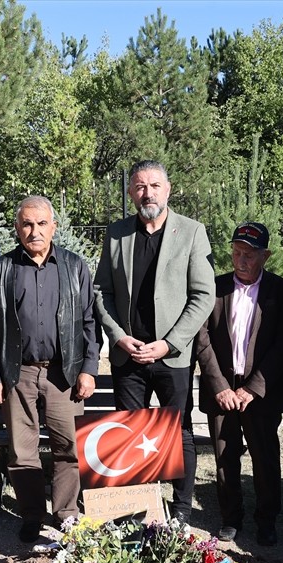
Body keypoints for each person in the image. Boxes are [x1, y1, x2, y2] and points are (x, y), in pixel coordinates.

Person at [93, 160, 215, 523]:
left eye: (155, 186)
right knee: (129, 434)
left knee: (179, 434)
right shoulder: (116, 234)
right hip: (129, 353)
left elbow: (203, 295)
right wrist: (118, 336)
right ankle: (136, 512)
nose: (148, 193)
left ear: (168, 189)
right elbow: (103, 292)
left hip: (171, 356)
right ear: (131, 192)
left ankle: (179, 510)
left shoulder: (192, 232)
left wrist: (170, 343)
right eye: (140, 186)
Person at [0, 196, 99, 543]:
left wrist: (88, 369)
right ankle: (31, 514)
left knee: (68, 447)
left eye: (42, 224)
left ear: (53, 227)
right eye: (27, 224)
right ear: (17, 228)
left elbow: (89, 322)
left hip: (64, 373)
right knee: (22, 450)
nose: (34, 231)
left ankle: (66, 514)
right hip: (19, 372)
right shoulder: (1, 270)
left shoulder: (75, 267)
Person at [194, 223, 283, 546]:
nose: (242, 260)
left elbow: (282, 344)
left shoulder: (280, 291)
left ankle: (267, 520)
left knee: (265, 458)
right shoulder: (215, 287)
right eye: (237, 253)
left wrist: (252, 388)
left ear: (265, 255)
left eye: (250, 255)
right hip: (221, 388)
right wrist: (219, 386)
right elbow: (202, 338)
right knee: (226, 455)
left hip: (261, 392)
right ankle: (230, 517)